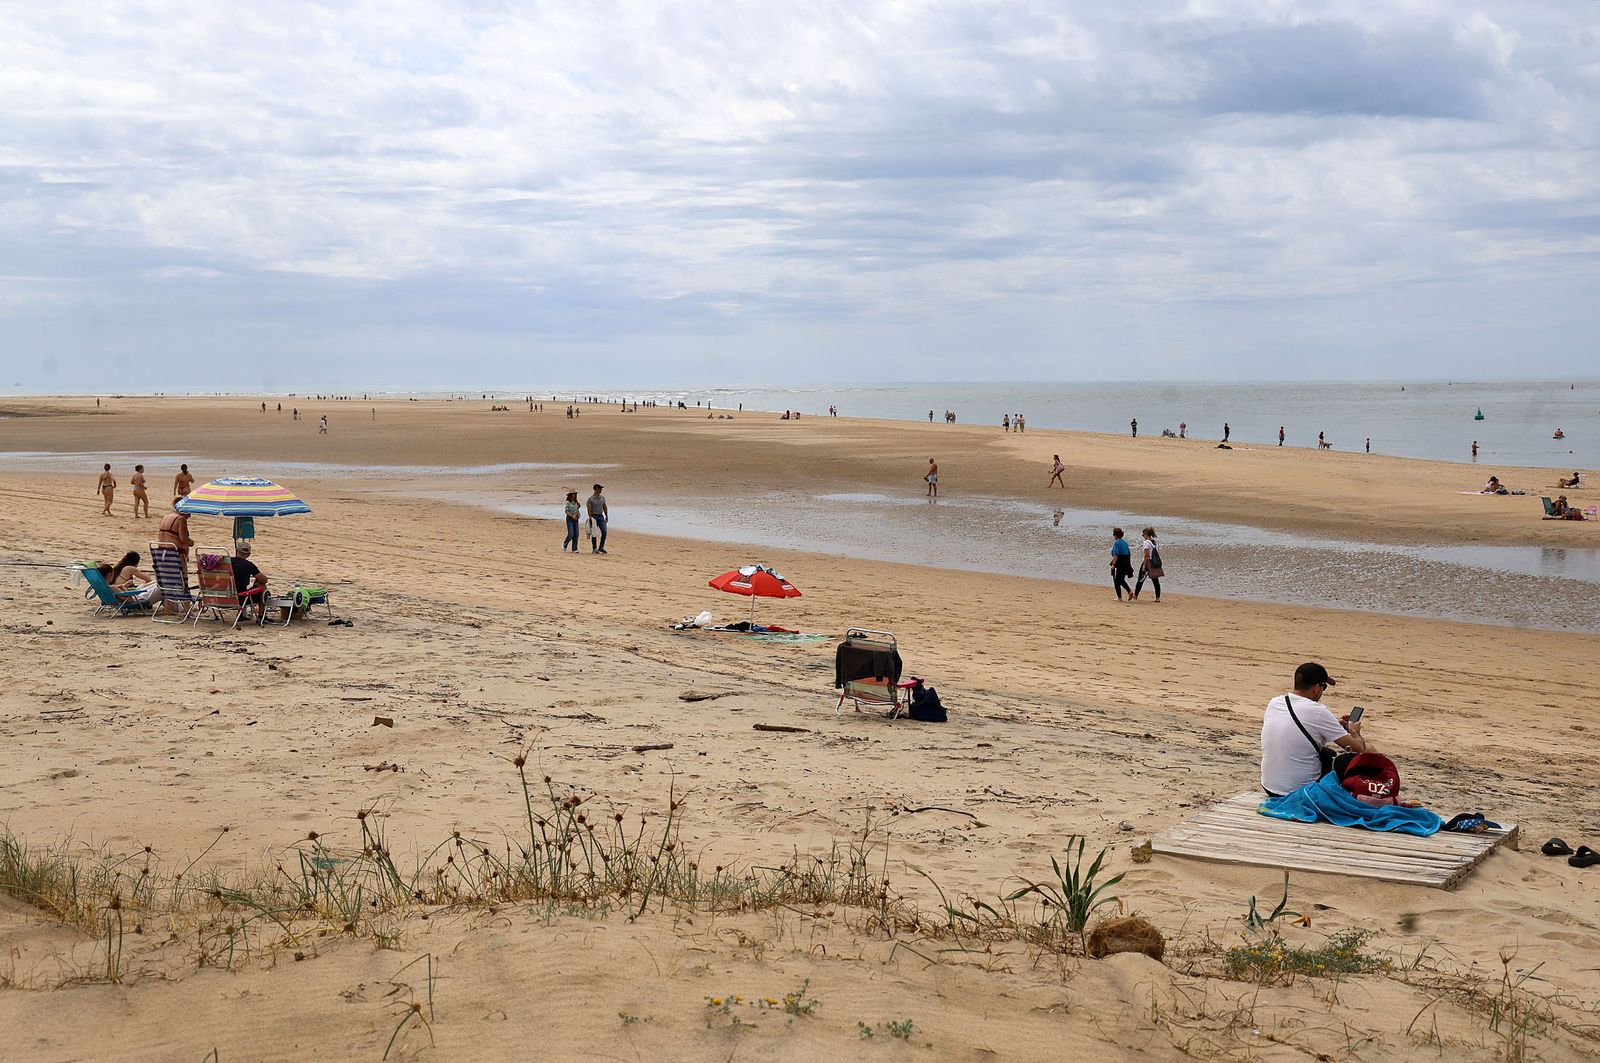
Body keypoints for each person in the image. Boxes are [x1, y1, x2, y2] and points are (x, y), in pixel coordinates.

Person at [1260, 662, 1371, 797]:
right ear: (1316, 688)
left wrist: (1336, 725)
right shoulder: (1318, 712)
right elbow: (1359, 749)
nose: (1322, 691)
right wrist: (1355, 731)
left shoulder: (1275, 702)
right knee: (1354, 757)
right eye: (1324, 687)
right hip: (1300, 790)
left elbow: (1303, 725)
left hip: (1270, 787)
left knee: (1322, 752)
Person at [230, 543, 269, 622]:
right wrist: (257, 581)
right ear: (248, 554)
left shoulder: (226, 563)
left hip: (219, 598)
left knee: (239, 587)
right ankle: (261, 617)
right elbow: (264, 580)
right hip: (239, 599)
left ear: (236, 551)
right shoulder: (248, 565)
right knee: (262, 586)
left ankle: (242, 614)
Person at [1132, 526, 1162, 601]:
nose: (1142, 536)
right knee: (1155, 580)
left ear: (1145, 534)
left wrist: (1144, 565)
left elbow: (1146, 554)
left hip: (1148, 562)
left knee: (1141, 579)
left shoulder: (1146, 543)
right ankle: (1158, 597)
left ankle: (1135, 595)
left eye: (1143, 534)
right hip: (1154, 563)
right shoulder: (1154, 542)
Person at [1110, 528, 1133, 601]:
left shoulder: (1116, 543)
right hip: (1126, 561)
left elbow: (1116, 554)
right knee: (1120, 579)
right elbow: (1129, 554)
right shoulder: (1125, 543)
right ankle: (1122, 595)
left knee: (1117, 580)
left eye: (1113, 534)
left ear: (1116, 535)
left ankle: (1126, 593)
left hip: (1120, 562)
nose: (1113, 535)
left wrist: (1113, 564)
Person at [587, 484, 609, 553]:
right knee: (594, 533)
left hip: (601, 516)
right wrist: (590, 517)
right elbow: (589, 509)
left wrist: (606, 515)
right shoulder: (590, 499)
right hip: (594, 517)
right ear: (596, 489)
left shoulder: (602, 498)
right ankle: (594, 548)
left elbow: (604, 506)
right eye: (599, 488)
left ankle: (601, 547)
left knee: (604, 532)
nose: (601, 490)